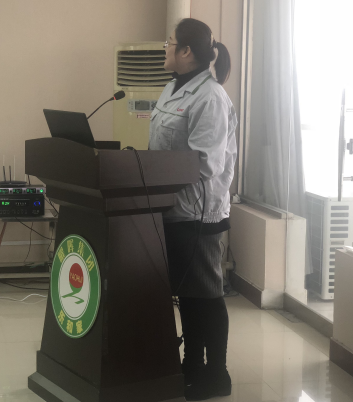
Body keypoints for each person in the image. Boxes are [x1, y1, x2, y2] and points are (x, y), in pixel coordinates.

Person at [149, 18, 237, 401]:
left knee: (207, 294)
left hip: (199, 212)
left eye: (169, 42)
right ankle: (192, 365)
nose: (165, 47)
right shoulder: (172, 88)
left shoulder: (211, 97)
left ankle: (217, 374)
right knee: (187, 292)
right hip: (171, 207)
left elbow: (204, 163)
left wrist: (153, 173)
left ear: (186, 51)